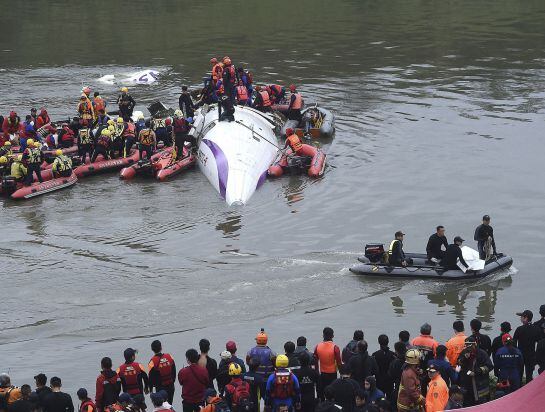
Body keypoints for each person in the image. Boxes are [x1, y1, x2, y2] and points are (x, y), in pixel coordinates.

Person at [457, 337, 492, 407]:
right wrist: (464, 358)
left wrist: (477, 371)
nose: (468, 347)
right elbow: (458, 365)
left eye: (470, 345)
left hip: (480, 386)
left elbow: (489, 366)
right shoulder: (463, 353)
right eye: (466, 345)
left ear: (474, 344)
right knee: (468, 406)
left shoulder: (482, 354)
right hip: (467, 386)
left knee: (481, 406)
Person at [313, 327, 342, 400]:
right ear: (333, 336)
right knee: (332, 393)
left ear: (323, 335)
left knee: (323, 392)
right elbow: (339, 363)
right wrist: (341, 373)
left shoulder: (317, 347)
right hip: (333, 374)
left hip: (322, 373)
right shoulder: (335, 348)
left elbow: (315, 361)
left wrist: (317, 372)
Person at [513, 309, 541, 383]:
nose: (520, 318)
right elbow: (540, 344)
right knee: (529, 376)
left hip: (520, 355)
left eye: (521, 317)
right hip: (531, 356)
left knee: (519, 375)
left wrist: (515, 354)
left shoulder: (519, 329)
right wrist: (536, 355)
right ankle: (529, 391)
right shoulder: (536, 329)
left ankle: (518, 390)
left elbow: (514, 344)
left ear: (526, 318)